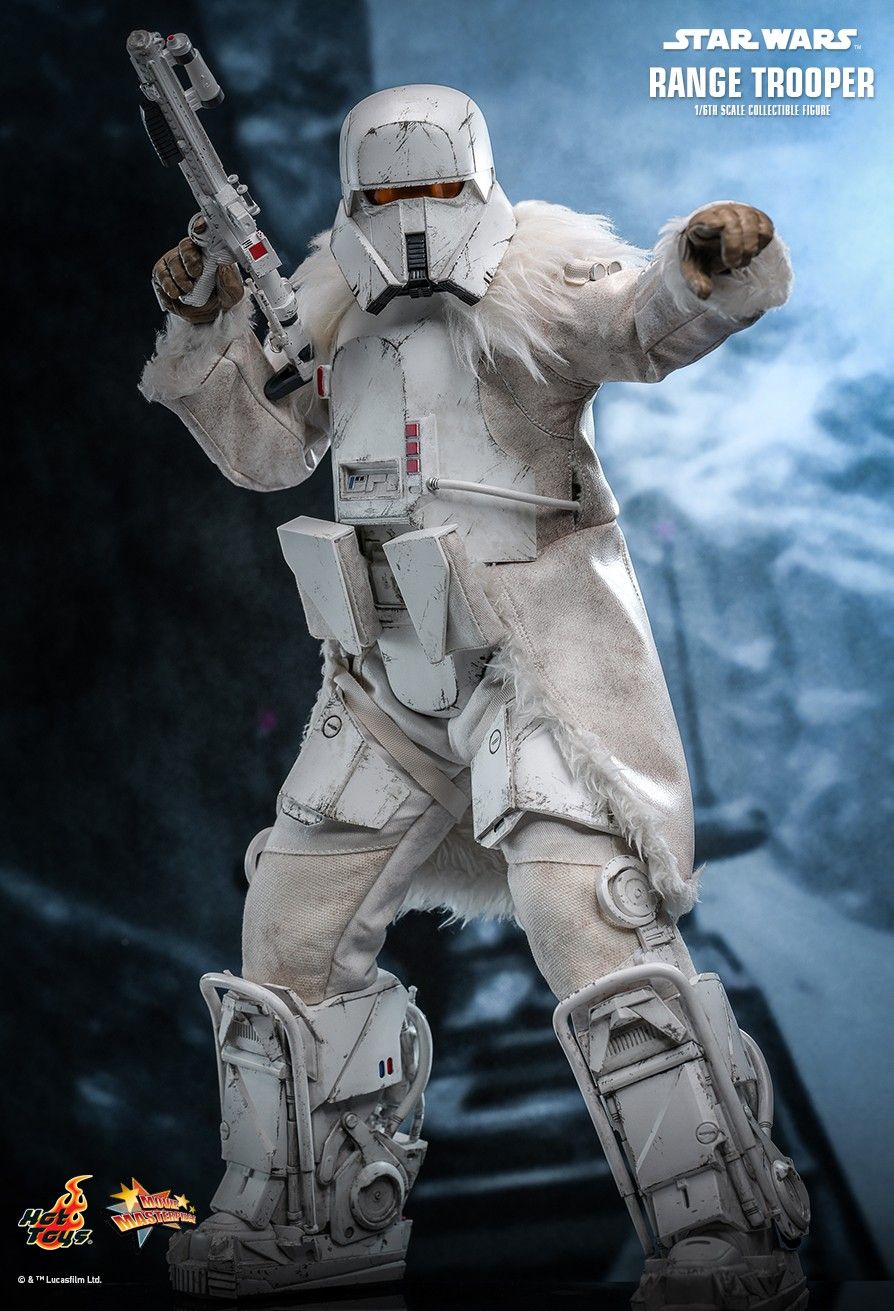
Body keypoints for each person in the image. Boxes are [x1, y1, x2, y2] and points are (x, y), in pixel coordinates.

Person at [141, 84, 809, 1306]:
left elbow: (636, 324)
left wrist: (703, 263)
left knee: (589, 920)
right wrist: (204, 329)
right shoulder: (327, 308)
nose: (411, 216)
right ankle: (308, 1216)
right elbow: (265, 452)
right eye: (387, 192)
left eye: (433, 188)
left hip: (525, 661)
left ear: (476, 183)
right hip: (382, 674)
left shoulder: (538, 278)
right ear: (354, 196)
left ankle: (719, 1225)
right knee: (290, 933)